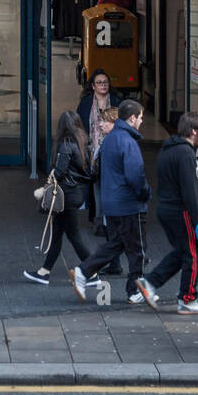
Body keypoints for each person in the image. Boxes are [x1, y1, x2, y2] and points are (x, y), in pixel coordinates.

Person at [71, 100, 159, 308]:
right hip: (129, 204)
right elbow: (135, 175)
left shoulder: (111, 139)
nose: (141, 121)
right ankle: (135, 290)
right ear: (131, 118)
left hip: (112, 202)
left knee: (117, 244)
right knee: (137, 249)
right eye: (140, 117)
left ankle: (83, 271)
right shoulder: (128, 141)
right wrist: (145, 193)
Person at [145, 111, 198, 313]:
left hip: (165, 208)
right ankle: (187, 299)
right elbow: (189, 192)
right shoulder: (186, 153)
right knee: (193, 255)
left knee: (182, 252)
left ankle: (149, 283)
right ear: (193, 131)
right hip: (180, 211)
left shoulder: (168, 148)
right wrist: (197, 220)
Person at [23, 110, 94, 285]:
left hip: (66, 197)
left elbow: (59, 172)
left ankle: (92, 273)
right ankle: (44, 272)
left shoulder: (66, 144)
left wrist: (45, 186)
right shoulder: (84, 141)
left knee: (73, 235)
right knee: (58, 234)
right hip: (77, 193)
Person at [78, 69, 125, 271]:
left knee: (108, 197)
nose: (103, 85)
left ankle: (106, 223)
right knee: (97, 191)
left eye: (105, 82)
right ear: (93, 85)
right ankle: (101, 220)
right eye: (99, 82)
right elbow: (80, 126)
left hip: (111, 154)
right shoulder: (87, 103)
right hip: (93, 153)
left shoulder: (116, 101)